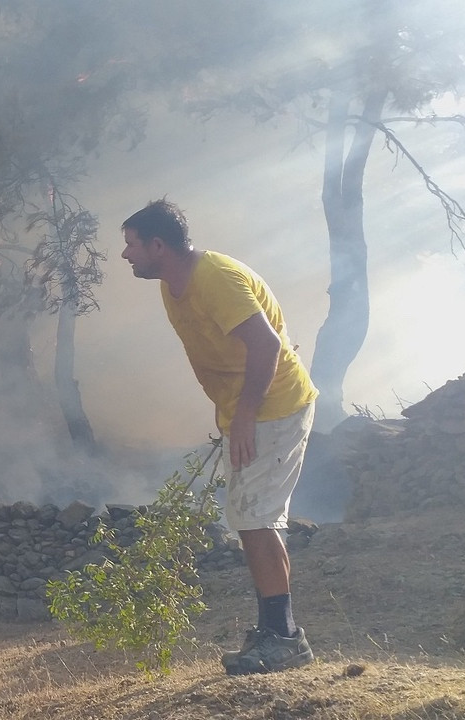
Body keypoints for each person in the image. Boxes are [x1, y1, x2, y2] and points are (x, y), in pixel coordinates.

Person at [120, 199, 318, 675]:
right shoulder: (173, 285)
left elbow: (267, 344)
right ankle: (279, 630)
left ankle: (284, 637)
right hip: (248, 411)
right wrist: (232, 413)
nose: (125, 256)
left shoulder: (214, 278)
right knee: (254, 518)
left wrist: (246, 412)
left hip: (274, 407)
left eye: (131, 245)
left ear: (158, 245)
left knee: (254, 518)